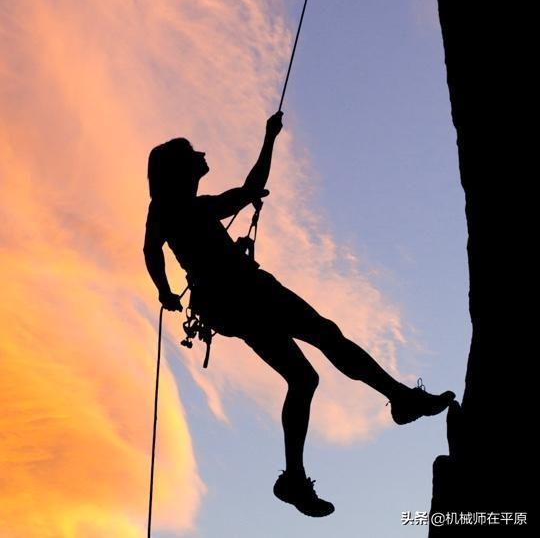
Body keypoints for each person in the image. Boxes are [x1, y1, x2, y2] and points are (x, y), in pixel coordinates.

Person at [143, 111, 455, 517]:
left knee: (305, 376)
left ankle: (295, 475)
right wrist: (270, 137)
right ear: (181, 169)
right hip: (246, 294)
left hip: (234, 303)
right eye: (193, 155)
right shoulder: (178, 209)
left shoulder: (183, 209)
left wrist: (166, 291)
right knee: (325, 336)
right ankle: (400, 400)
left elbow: (161, 245)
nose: (202, 156)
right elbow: (160, 245)